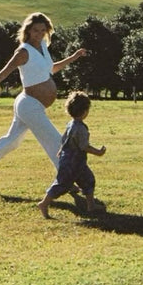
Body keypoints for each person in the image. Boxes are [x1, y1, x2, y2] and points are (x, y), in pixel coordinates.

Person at [0, 12, 87, 190]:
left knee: (12, 141)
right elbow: (3, 73)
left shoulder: (42, 46)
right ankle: (67, 181)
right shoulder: (23, 52)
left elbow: (51, 69)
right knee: (55, 141)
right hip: (29, 105)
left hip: (30, 105)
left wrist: (74, 57)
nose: (39, 34)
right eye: (35, 30)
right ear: (28, 30)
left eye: (43, 30)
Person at [38, 90, 106, 219]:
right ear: (85, 111)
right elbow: (84, 146)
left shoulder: (71, 124)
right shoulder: (80, 128)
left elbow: (64, 139)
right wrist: (98, 152)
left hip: (75, 162)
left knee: (88, 180)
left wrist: (61, 151)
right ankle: (44, 203)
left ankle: (91, 206)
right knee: (62, 184)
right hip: (72, 162)